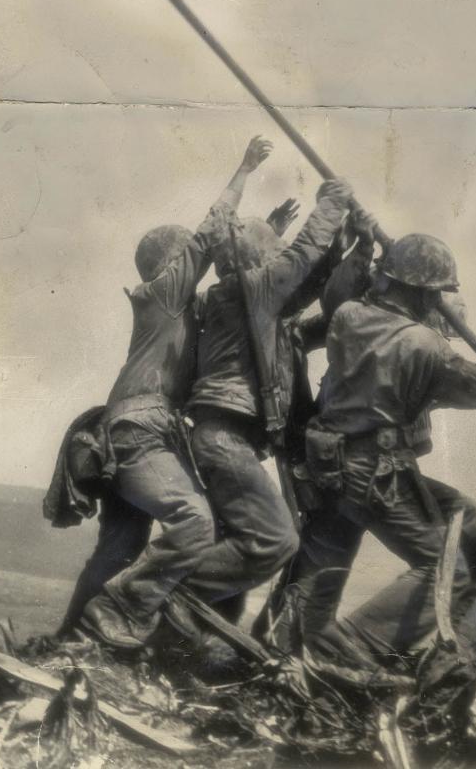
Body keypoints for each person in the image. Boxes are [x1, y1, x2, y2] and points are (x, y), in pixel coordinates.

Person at [46, 136, 274, 645]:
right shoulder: (164, 295)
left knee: (119, 550)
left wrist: (266, 237)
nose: (206, 260)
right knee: (194, 521)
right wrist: (244, 169)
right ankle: (122, 616)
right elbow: (209, 231)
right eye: (191, 258)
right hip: (139, 434)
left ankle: (69, 641)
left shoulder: (181, 312)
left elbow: (235, 274)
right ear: (170, 265)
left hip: (132, 435)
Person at [303, 233, 476, 679]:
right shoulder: (425, 346)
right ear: (423, 291)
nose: (438, 302)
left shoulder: (349, 317)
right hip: (375, 472)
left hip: (333, 465)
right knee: (450, 570)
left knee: (471, 520)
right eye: (435, 293)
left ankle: (459, 629)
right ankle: (356, 646)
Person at [161, 176, 355, 635]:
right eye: (273, 252)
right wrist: (330, 205)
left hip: (222, 436)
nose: (279, 259)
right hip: (224, 437)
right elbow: (300, 258)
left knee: (241, 547)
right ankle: (163, 594)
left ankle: (186, 641)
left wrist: (343, 250)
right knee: (274, 539)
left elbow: (303, 286)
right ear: (259, 261)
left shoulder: (243, 301)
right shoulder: (250, 290)